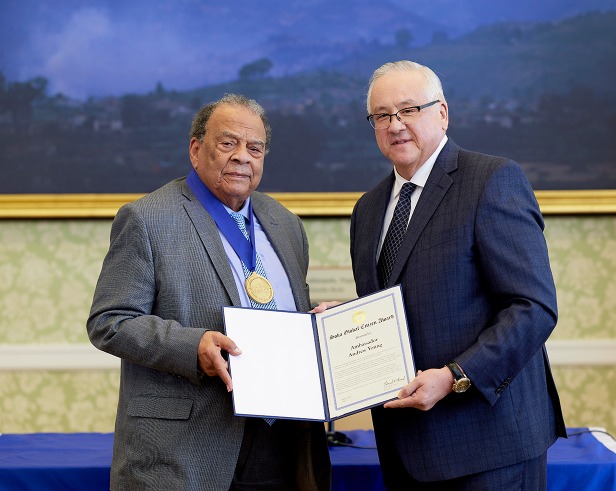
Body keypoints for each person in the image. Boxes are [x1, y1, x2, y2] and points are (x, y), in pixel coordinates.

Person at [87, 93, 331, 490]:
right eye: (228, 143)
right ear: (196, 149)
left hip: (282, 445)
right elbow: (109, 322)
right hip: (187, 452)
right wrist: (193, 346)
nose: (242, 156)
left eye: (255, 147)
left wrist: (320, 330)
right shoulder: (147, 219)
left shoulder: (286, 224)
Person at [350, 60, 567, 489]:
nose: (395, 125)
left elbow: (533, 307)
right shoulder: (368, 208)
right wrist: (345, 320)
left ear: (442, 112)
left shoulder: (492, 180)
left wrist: (455, 376)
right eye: (381, 115)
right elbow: (394, 304)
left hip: (490, 448)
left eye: (409, 110)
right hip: (404, 449)